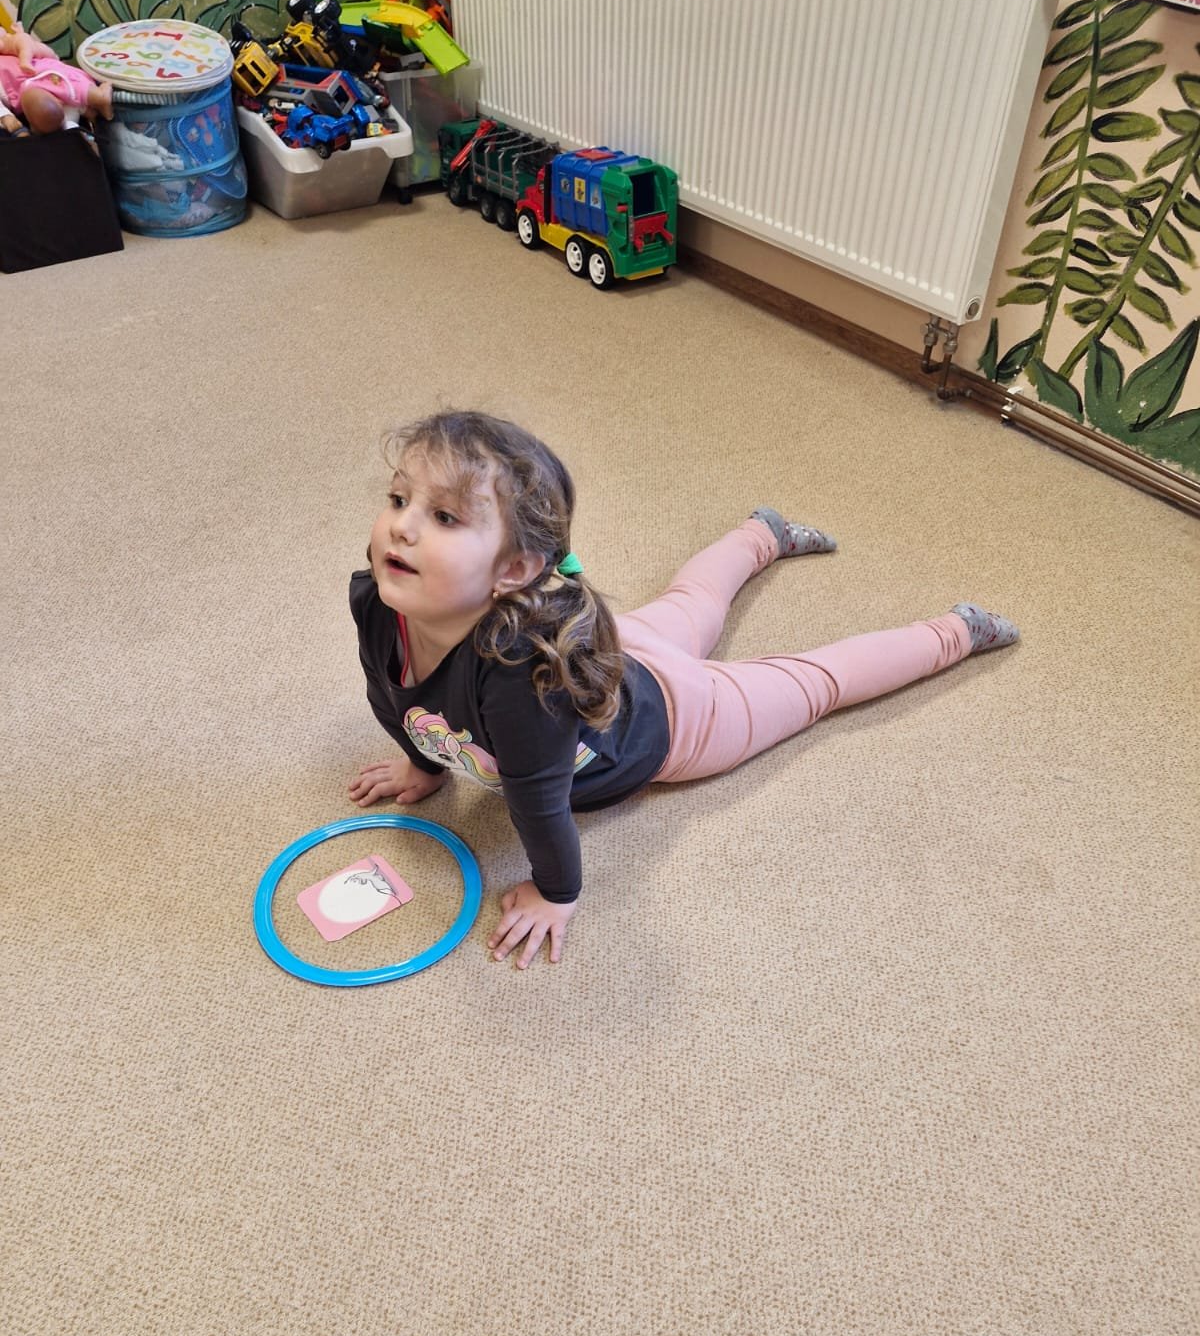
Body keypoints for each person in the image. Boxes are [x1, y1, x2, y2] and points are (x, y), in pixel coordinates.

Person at [349, 411, 1018, 969]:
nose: (402, 526)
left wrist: (557, 893)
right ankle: (764, 532)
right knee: (692, 599)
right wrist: (422, 763)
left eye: (445, 517)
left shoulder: (522, 686)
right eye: (399, 500)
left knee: (818, 683)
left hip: (679, 717)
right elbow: (393, 698)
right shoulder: (377, 602)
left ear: (514, 570)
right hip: (619, 650)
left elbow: (541, 803)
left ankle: (958, 631)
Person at [0, 23, 113, 134]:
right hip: (27, 93)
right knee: (41, 107)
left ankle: (98, 97)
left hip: (45, 73)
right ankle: (71, 125)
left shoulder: (10, 43)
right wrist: (5, 116)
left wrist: (23, 47)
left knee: (67, 83)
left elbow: (48, 54)